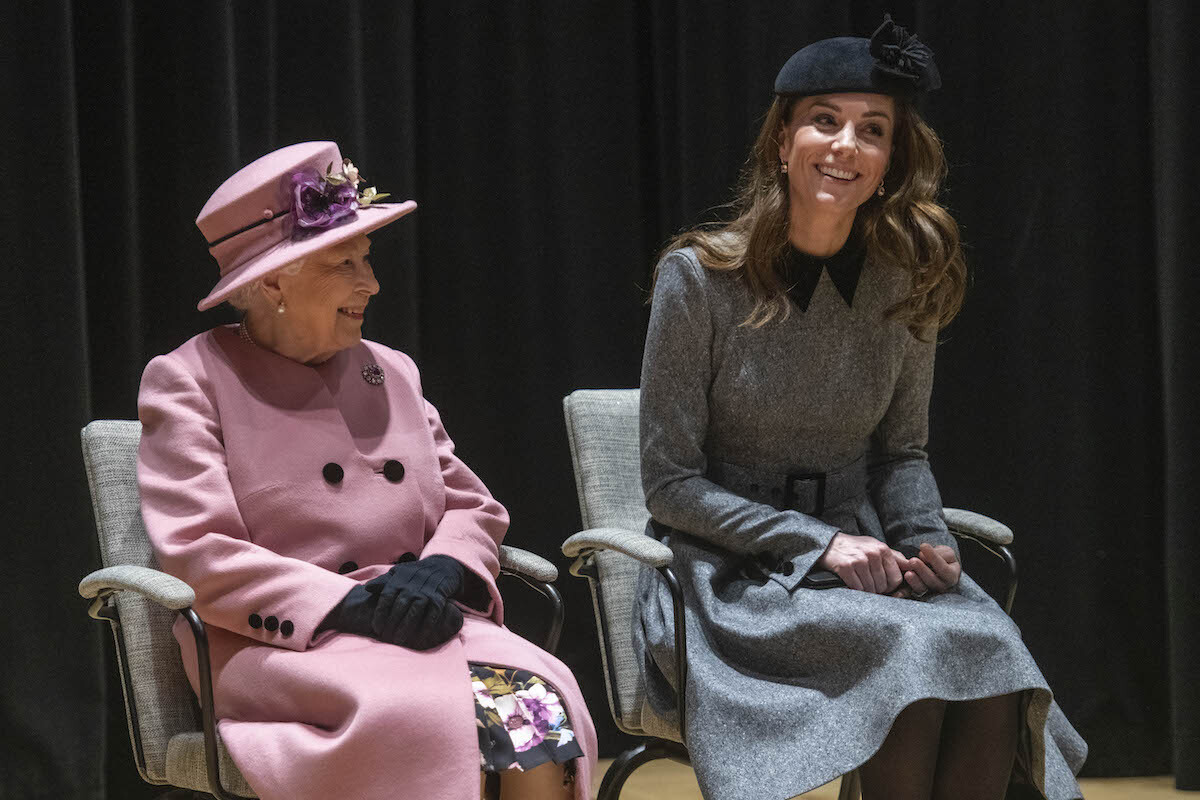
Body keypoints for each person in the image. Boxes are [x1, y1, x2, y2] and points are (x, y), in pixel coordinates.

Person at [632, 17, 1086, 800]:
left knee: (991, 650)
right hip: (734, 582)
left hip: (866, 566)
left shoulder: (905, 280)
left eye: (872, 130)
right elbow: (669, 485)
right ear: (783, 141)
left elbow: (901, 455)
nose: (846, 145)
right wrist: (820, 545)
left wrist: (925, 538)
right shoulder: (697, 280)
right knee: (912, 656)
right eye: (824, 121)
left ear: (889, 163)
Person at [137, 141, 595, 800]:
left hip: (426, 623)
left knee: (534, 709)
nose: (371, 284)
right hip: (287, 647)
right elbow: (200, 550)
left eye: (367, 258)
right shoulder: (190, 381)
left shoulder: (392, 370)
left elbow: (471, 505)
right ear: (274, 282)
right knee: (431, 721)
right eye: (344, 263)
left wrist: (443, 570)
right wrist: (351, 606)